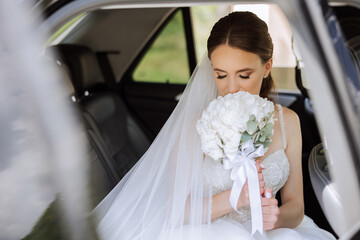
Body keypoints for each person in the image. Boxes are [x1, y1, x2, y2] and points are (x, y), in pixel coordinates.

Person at [92, 11, 336, 240]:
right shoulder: (196, 126)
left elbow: (295, 207)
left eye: (244, 75)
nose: (231, 88)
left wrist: (273, 219)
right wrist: (235, 199)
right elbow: (178, 210)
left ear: (267, 67)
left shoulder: (289, 121)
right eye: (221, 75)